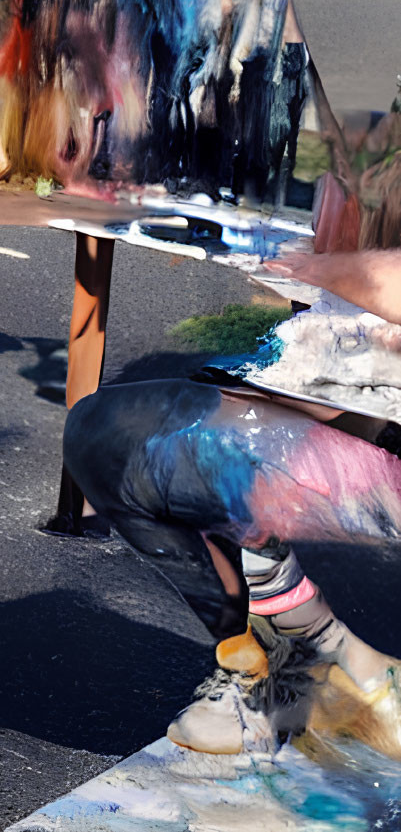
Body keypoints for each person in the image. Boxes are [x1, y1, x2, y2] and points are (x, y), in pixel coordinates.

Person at [65, 247, 401, 758]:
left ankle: (321, 661)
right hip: (355, 409)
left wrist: (318, 265)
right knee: (113, 435)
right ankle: (301, 655)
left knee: (182, 452)